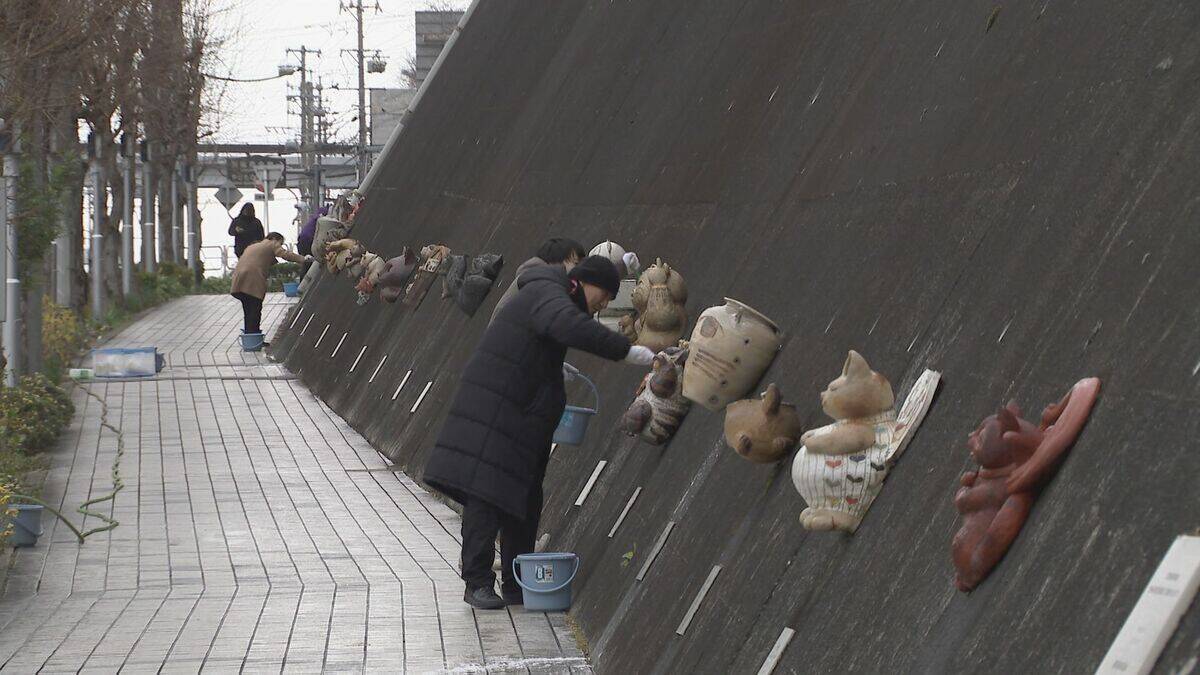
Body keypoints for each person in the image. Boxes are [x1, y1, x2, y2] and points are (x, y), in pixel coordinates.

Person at [424, 255, 656, 609]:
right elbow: (566, 324)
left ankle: (518, 582)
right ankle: (477, 582)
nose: (606, 304)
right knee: (488, 493)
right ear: (586, 282)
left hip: (520, 414)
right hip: (497, 410)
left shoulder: (549, 292)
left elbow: (542, 337)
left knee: (524, 497)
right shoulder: (551, 292)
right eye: (606, 295)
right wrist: (626, 351)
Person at [488, 237, 586, 324]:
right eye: (576, 264)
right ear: (557, 261)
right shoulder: (537, 279)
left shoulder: (533, 276)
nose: (579, 271)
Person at [230, 233, 307, 336]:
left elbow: (263, 259)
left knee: (248, 310)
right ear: (275, 239)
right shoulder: (272, 244)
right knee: (255, 309)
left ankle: (249, 336)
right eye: (281, 243)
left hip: (239, 280)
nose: (280, 245)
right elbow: (285, 254)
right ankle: (254, 337)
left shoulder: (253, 246)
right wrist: (303, 259)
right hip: (252, 279)